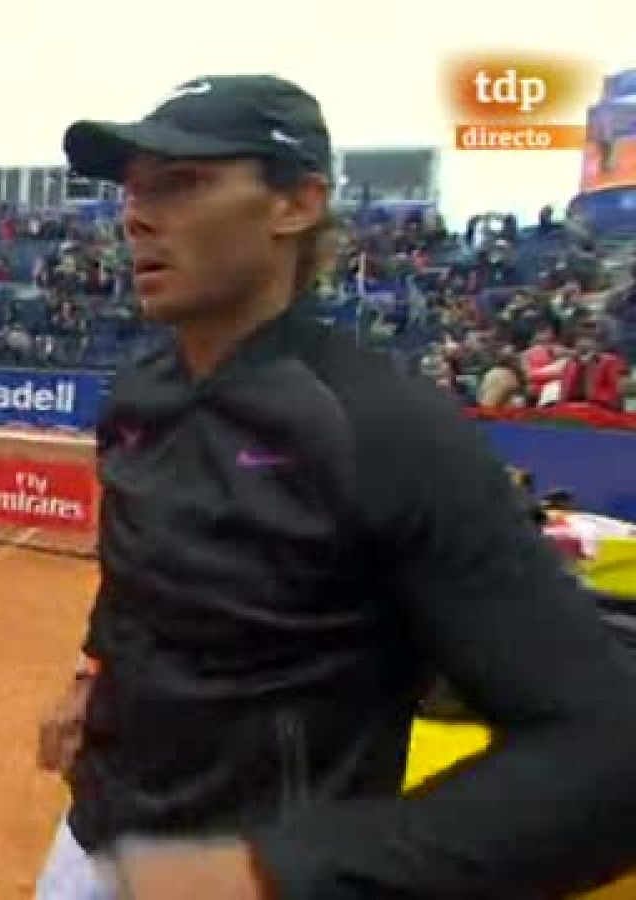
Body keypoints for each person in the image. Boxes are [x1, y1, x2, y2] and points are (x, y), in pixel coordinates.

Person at [34, 74, 636, 899]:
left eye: (181, 182)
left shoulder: (388, 428)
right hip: (94, 839)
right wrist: (92, 673)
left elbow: (607, 751)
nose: (135, 215)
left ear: (296, 204)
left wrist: (280, 871)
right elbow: (140, 576)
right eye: (133, 189)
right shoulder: (138, 394)